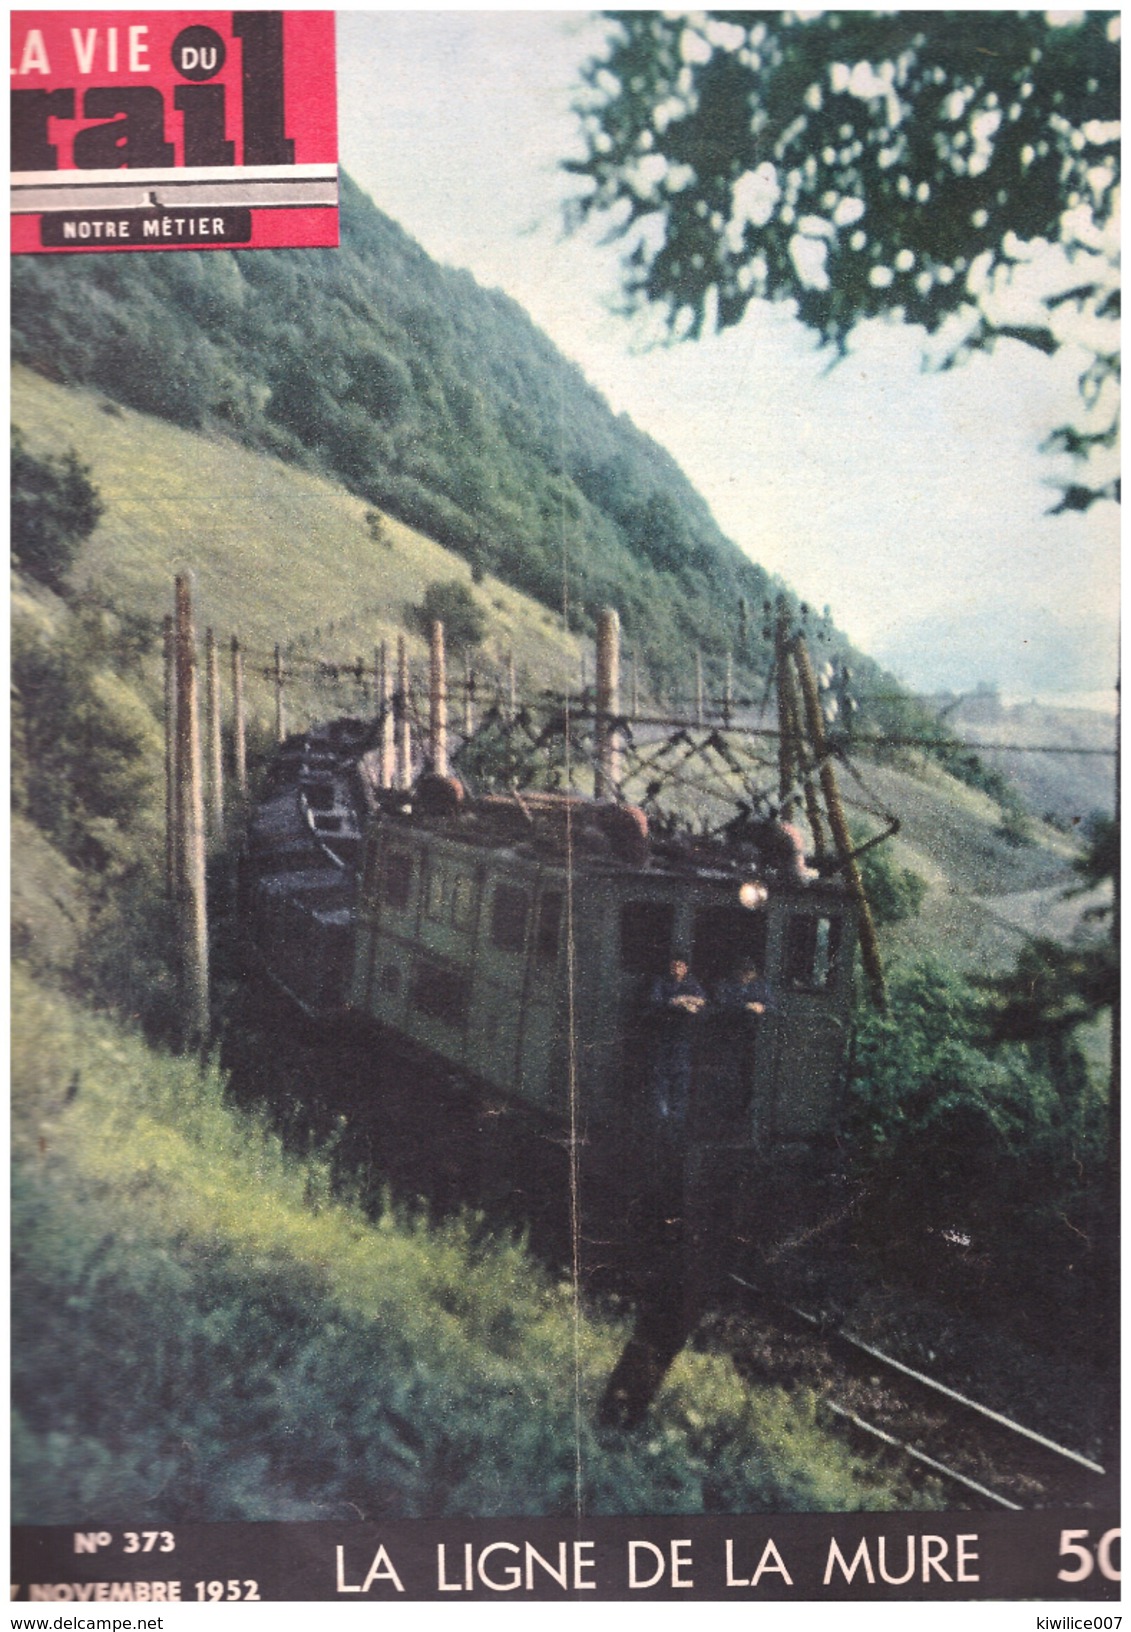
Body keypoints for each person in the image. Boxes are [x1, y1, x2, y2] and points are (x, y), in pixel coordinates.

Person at [647, 957, 706, 1130]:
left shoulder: (691, 983)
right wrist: (678, 1001)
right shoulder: (660, 982)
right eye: (673, 966)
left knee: (681, 1076)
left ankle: (678, 1117)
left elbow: (701, 1000)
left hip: (683, 1037)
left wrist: (685, 1000)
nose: (676, 969)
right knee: (662, 1075)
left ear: (686, 968)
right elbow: (657, 1001)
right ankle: (661, 1116)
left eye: (680, 966)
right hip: (663, 1035)